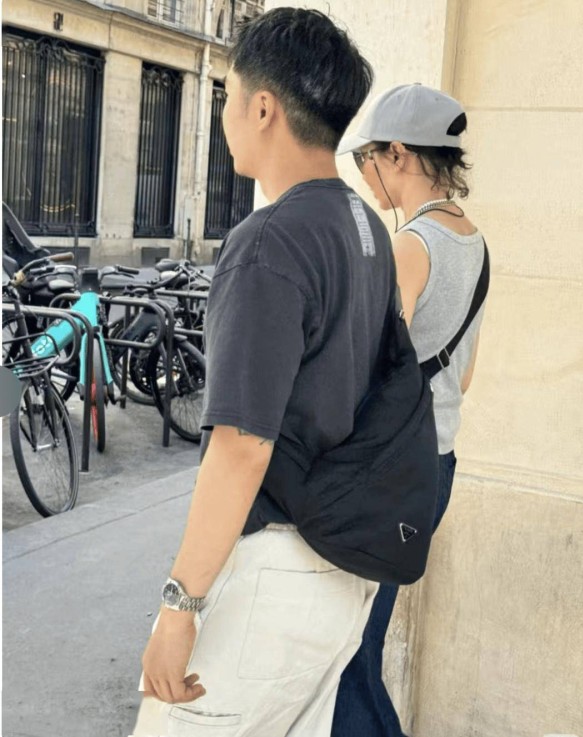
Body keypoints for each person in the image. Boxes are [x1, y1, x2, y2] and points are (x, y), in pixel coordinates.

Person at [132, 8, 398, 737]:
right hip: (341, 567)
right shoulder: (363, 227)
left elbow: (243, 446)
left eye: (226, 95)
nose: (223, 114)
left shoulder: (270, 240)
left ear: (263, 109)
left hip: (273, 570)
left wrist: (179, 606)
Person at [332, 84, 488, 737]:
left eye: (366, 158)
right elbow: (465, 375)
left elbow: (366, 365)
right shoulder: (474, 242)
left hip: (389, 472)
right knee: (357, 651)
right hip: (434, 465)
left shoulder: (411, 245)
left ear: (398, 153)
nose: (364, 174)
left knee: (345, 658)